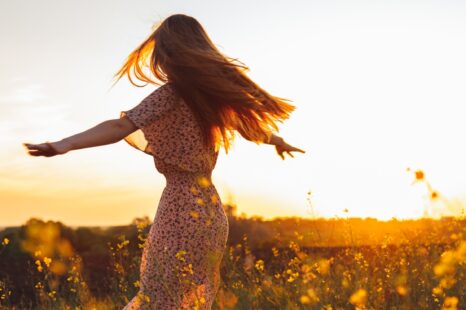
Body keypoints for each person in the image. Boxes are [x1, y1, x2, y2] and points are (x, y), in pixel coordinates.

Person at [23, 13, 305, 310]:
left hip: (181, 207)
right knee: (187, 298)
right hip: (210, 211)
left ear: (169, 54)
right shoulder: (210, 100)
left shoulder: (171, 95)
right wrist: (279, 142)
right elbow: (251, 131)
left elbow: (121, 127)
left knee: (158, 296)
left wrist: (65, 144)